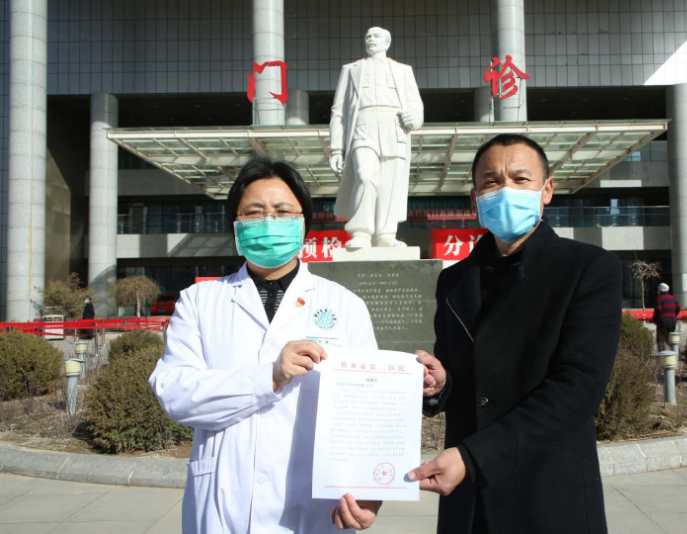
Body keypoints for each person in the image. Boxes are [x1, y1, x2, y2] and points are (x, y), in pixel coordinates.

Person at [149, 157, 381, 533]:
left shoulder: (345, 305)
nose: (269, 223)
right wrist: (269, 377)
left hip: (315, 507)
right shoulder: (200, 302)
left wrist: (370, 490)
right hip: (226, 502)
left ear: (303, 222)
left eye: (282, 211)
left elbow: (369, 410)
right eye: (254, 213)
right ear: (236, 224)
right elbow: (175, 393)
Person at [408, 133, 622, 533]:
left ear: (546, 191)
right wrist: (440, 384)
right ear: (475, 199)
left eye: (520, 179)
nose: (505, 190)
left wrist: (474, 456)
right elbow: (460, 375)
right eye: (491, 182)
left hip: (548, 496)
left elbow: (577, 389)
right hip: (470, 504)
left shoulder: (588, 270)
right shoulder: (454, 281)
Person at [329, 26, 424, 250]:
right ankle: (361, 231)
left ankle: (386, 234)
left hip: (394, 127)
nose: (371, 39)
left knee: (390, 183)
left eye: (376, 36)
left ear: (387, 42)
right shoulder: (351, 69)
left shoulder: (403, 70)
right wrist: (336, 149)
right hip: (363, 126)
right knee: (365, 176)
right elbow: (338, 111)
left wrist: (415, 118)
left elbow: (415, 104)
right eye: (368, 36)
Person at [653, 282, 681, 351]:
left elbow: (658, 310)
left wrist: (655, 319)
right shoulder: (673, 298)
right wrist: (674, 315)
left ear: (660, 291)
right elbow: (678, 308)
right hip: (673, 321)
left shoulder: (660, 298)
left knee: (660, 339)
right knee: (671, 338)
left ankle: (662, 354)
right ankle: (675, 352)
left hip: (663, 321)